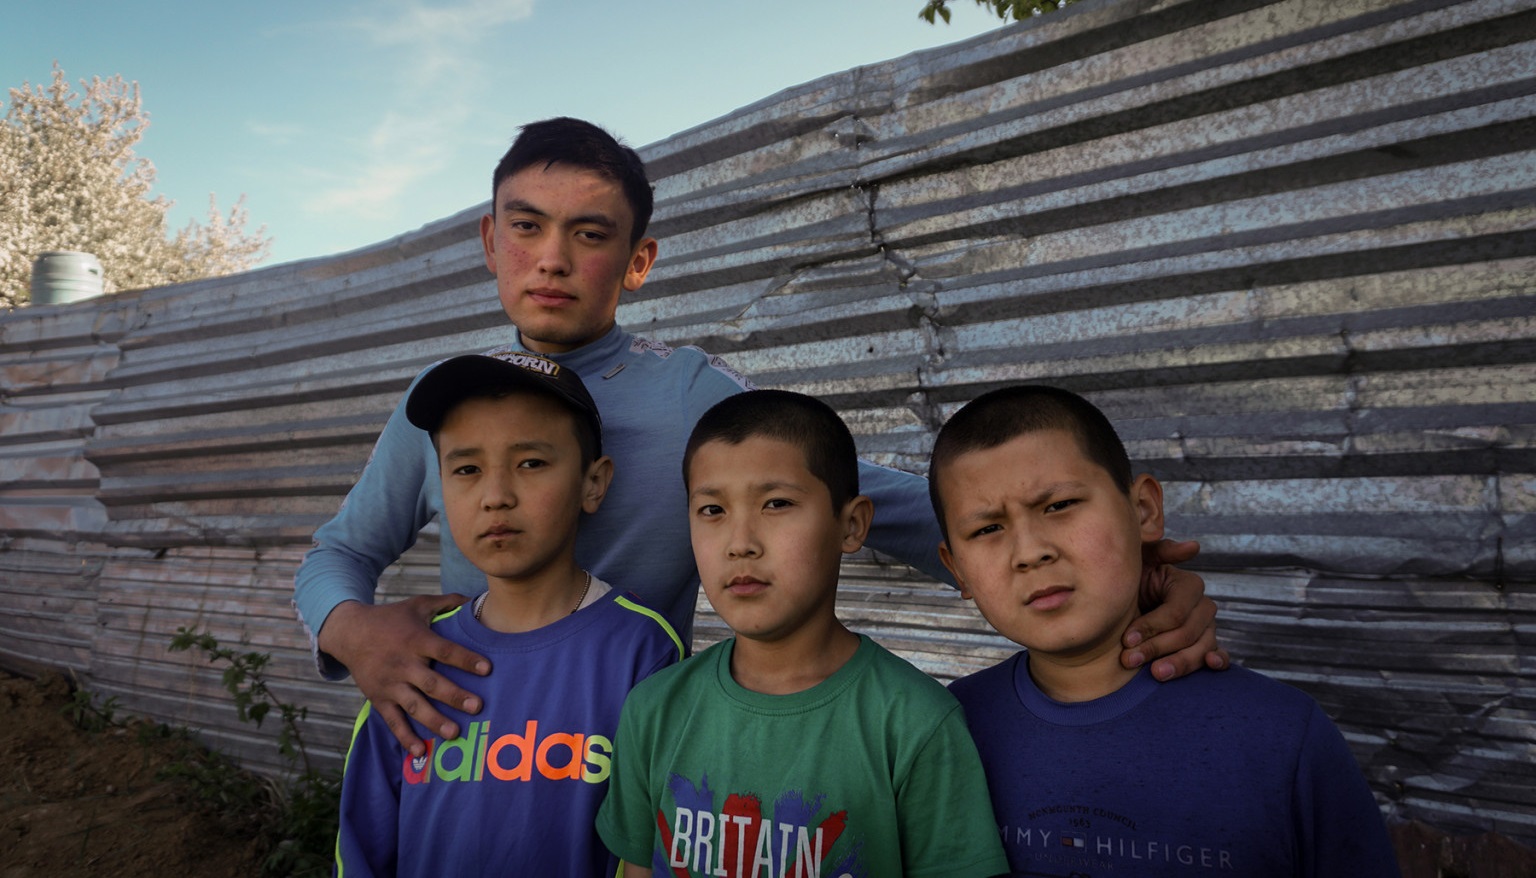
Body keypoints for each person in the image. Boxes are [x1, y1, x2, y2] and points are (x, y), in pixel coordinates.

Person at [293, 116, 1222, 759]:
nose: (553, 258)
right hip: (467, 744)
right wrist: (351, 629)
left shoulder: (692, 393)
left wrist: (1113, 582)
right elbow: (341, 549)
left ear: (638, 262)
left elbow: (881, 502)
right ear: (490, 241)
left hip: (639, 745)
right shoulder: (439, 405)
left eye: (590, 234)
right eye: (526, 228)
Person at [933, 385, 1401, 876]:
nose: (1030, 551)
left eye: (1060, 505)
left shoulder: (1281, 737)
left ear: (1144, 512)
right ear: (956, 568)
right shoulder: (943, 731)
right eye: (987, 529)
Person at [596, 389, 1011, 877]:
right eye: (712, 511)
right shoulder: (654, 709)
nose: (740, 544)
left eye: (775, 503)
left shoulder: (913, 724)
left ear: (851, 525)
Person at [333, 351, 684, 876]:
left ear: (593, 483)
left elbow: (652, 845)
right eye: (467, 469)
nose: (495, 496)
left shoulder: (643, 650)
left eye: (531, 463)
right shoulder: (409, 662)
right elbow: (362, 846)